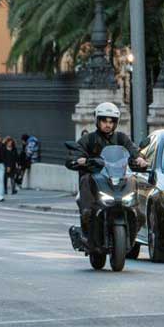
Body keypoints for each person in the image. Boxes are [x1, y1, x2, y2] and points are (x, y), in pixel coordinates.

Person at [68, 103, 145, 244]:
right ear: (97, 121)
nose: (108, 125)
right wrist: (78, 159)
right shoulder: (89, 139)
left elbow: (132, 149)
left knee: (139, 214)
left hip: (118, 180)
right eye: (104, 121)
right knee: (88, 211)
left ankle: (131, 238)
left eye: (111, 121)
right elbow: (76, 152)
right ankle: (86, 235)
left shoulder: (122, 138)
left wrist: (139, 159)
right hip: (95, 182)